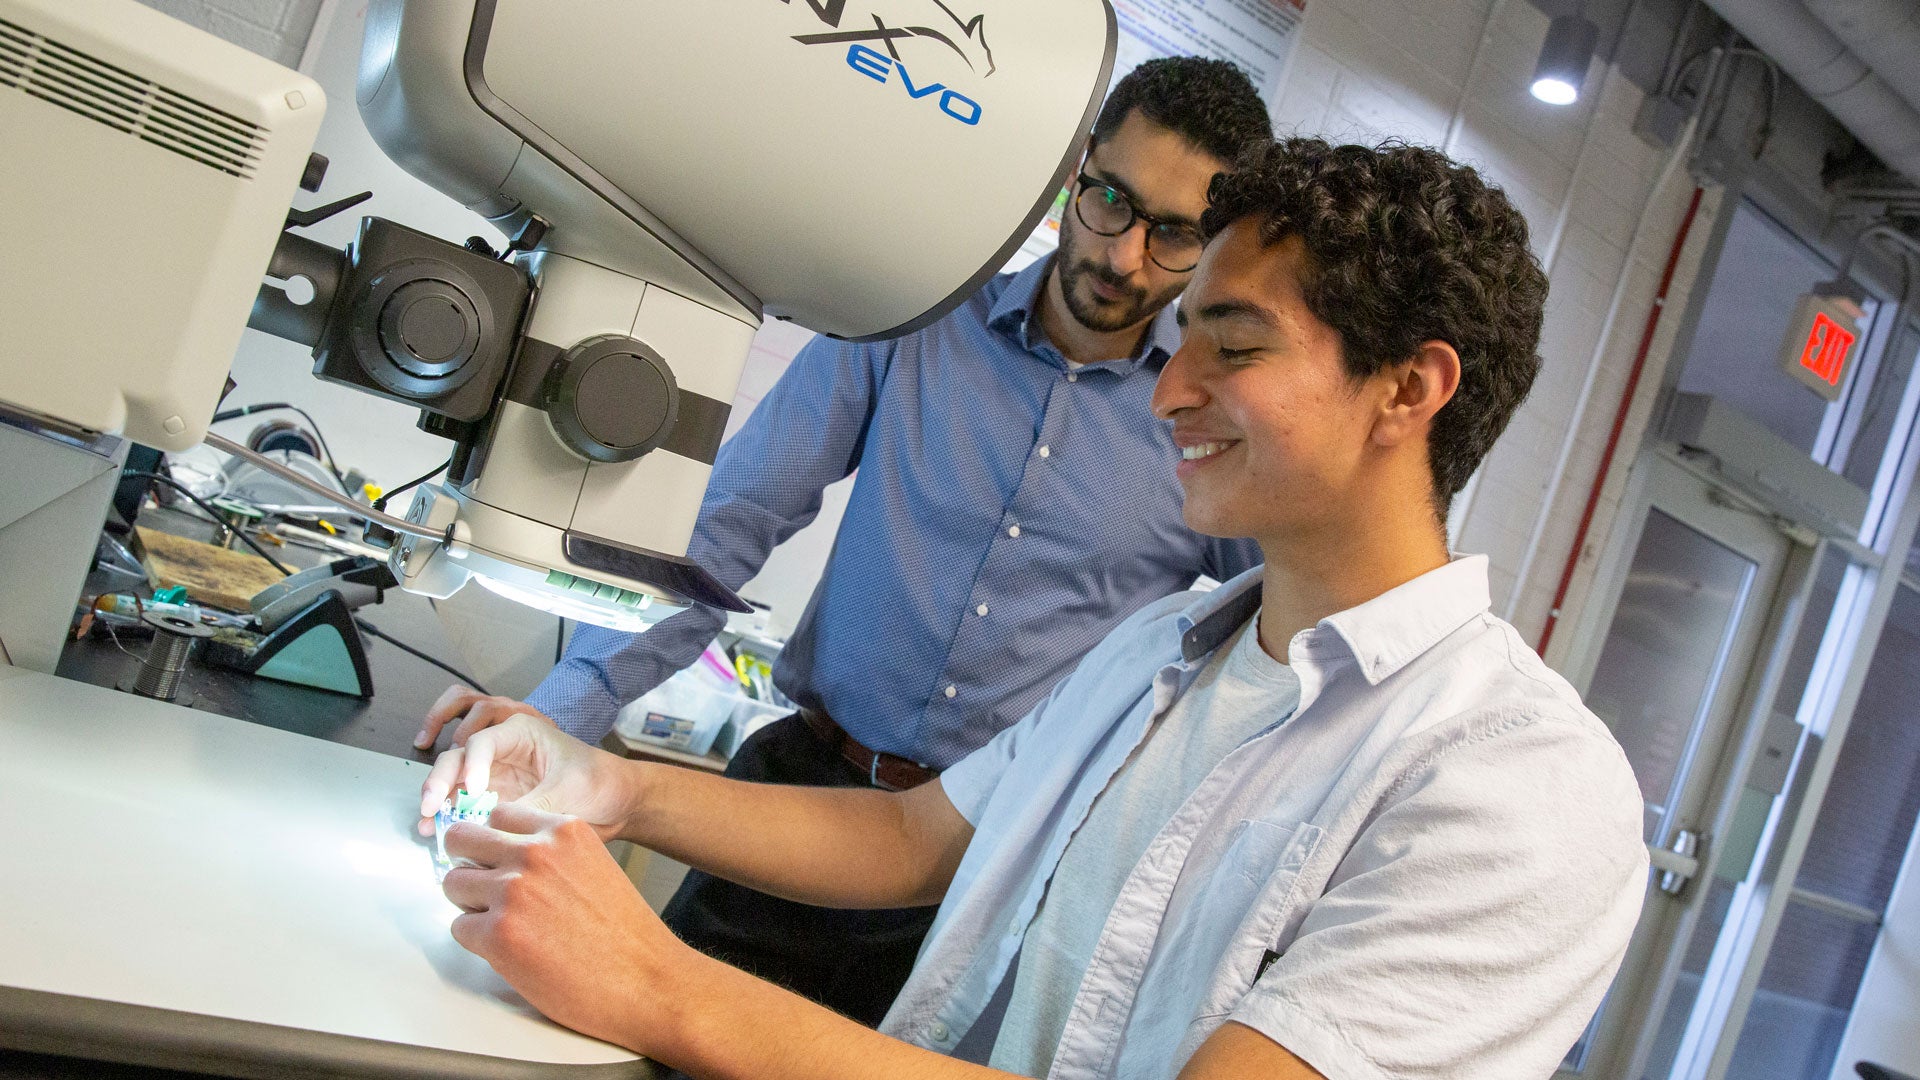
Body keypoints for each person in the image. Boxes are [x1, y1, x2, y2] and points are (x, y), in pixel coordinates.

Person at [419, 137, 1650, 1079]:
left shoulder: (1515, 788)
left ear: (1410, 388)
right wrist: (606, 781)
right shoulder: (1161, 653)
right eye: (1185, 341)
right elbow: (917, 843)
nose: (1169, 390)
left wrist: (657, 986)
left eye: (1233, 345)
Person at [412, 57, 1273, 1024]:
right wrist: (558, 716)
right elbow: (732, 526)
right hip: (795, 807)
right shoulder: (919, 315)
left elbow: (1277, 642)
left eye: (1175, 236)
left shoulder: (1208, 423)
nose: (1122, 258)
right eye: (1112, 201)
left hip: (993, 869)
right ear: (1076, 171)